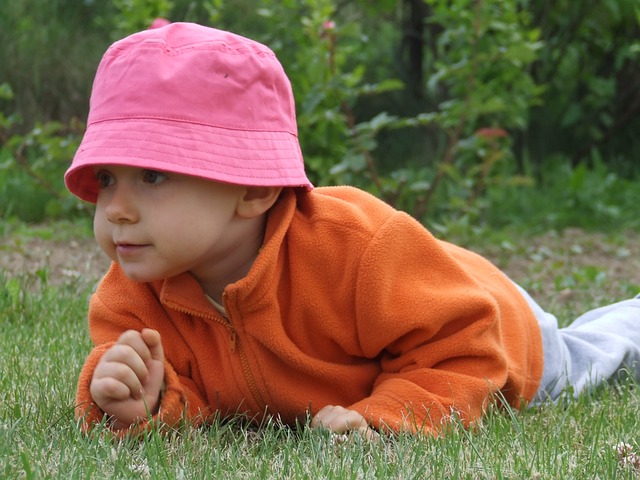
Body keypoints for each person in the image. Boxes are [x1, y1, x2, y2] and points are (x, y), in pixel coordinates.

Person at [64, 22, 640, 439]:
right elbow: (195, 398)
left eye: (155, 176)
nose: (116, 208)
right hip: (428, 293)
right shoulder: (132, 297)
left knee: (602, 350)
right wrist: (144, 400)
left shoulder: (355, 250)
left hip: (488, 322)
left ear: (254, 189)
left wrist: (383, 418)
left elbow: (464, 349)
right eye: (107, 178)